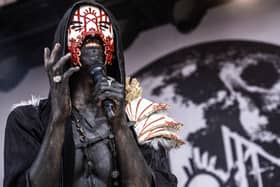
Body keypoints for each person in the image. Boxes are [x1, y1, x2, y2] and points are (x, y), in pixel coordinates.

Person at [4, 1, 184, 186]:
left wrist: (121, 125)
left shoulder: (142, 121)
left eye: (102, 26)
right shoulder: (27, 120)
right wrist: (57, 120)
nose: (91, 29)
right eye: (78, 26)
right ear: (64, 42)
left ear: (113, 46)